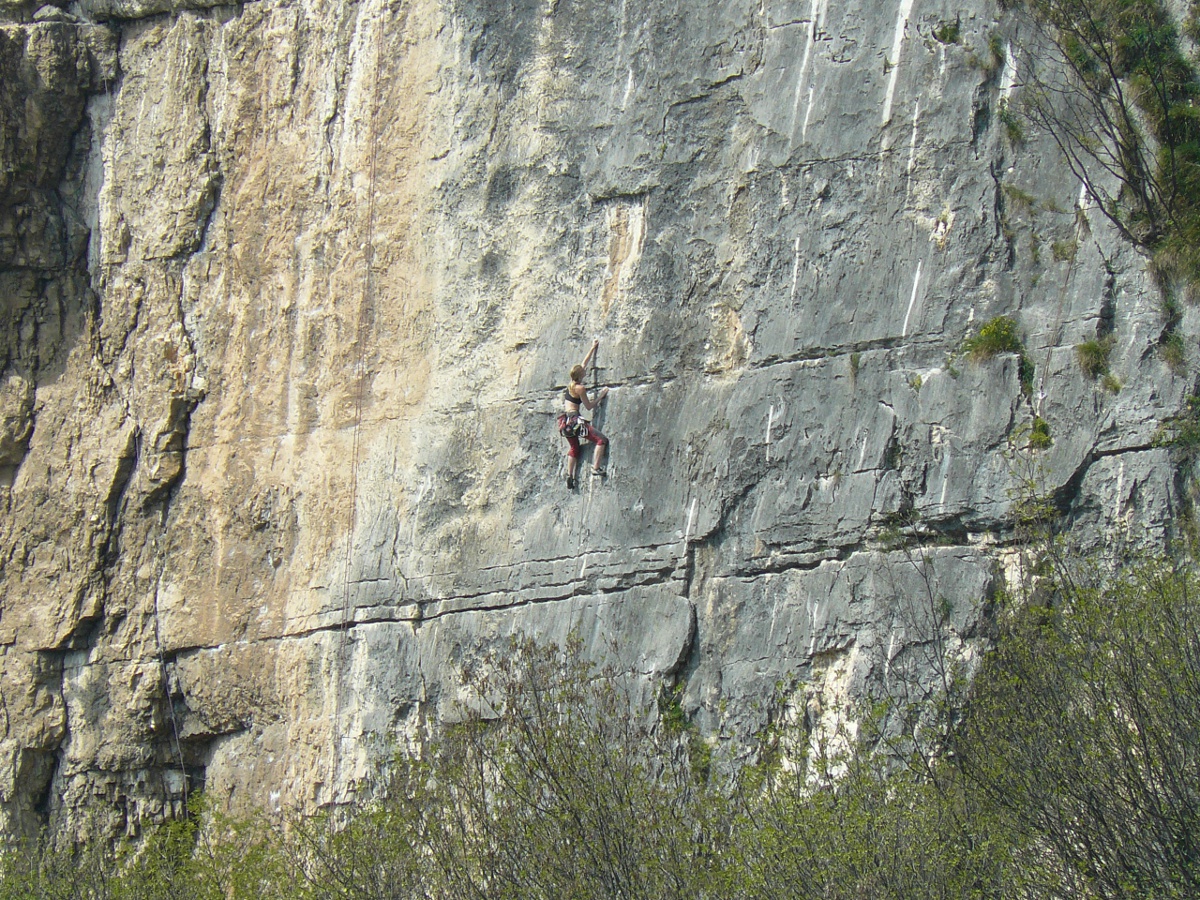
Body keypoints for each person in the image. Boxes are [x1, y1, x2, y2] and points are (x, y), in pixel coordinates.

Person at [557, 339, 610, 489]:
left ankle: (570, 475)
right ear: (580, 376)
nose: (586, 371)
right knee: (601, 440)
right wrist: (601, 396)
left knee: (575, 448)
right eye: (584, 372)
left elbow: (584, 363)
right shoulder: (580, 388)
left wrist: (593, 348)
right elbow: (588, 406)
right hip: (574, 421)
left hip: (565, 422)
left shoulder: (571, 383)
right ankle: (595, 468)